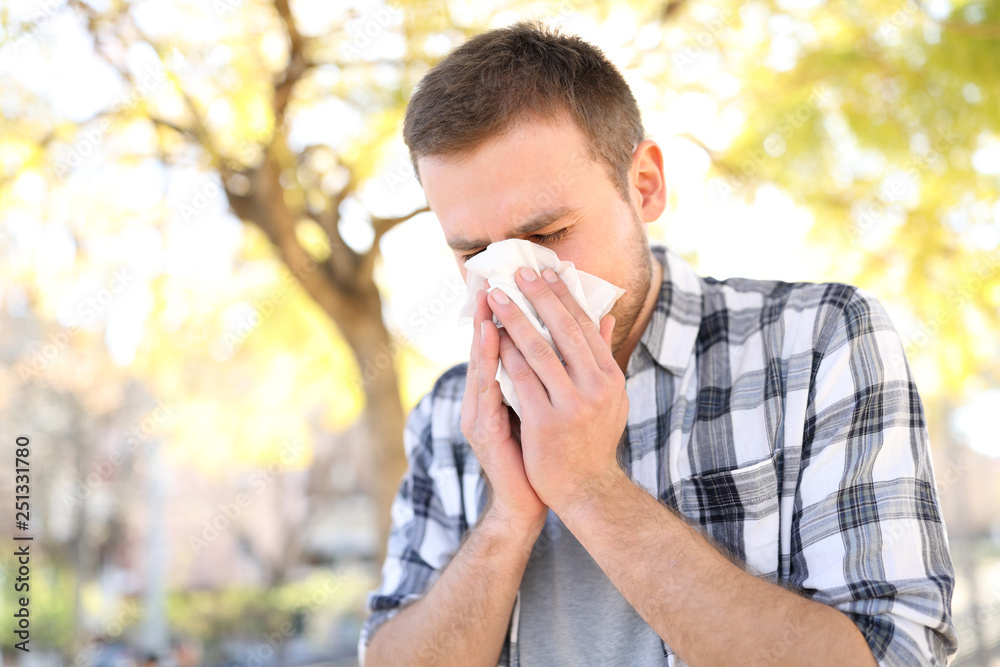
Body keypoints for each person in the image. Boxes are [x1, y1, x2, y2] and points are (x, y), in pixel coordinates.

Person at [358, 20, 958, 667]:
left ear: (644, 185)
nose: (521, 281)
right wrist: (506, 518)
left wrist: (590, 487)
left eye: (551, 233)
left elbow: (894, 654)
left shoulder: (818, 342)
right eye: (476, 251)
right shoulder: (453, 413)